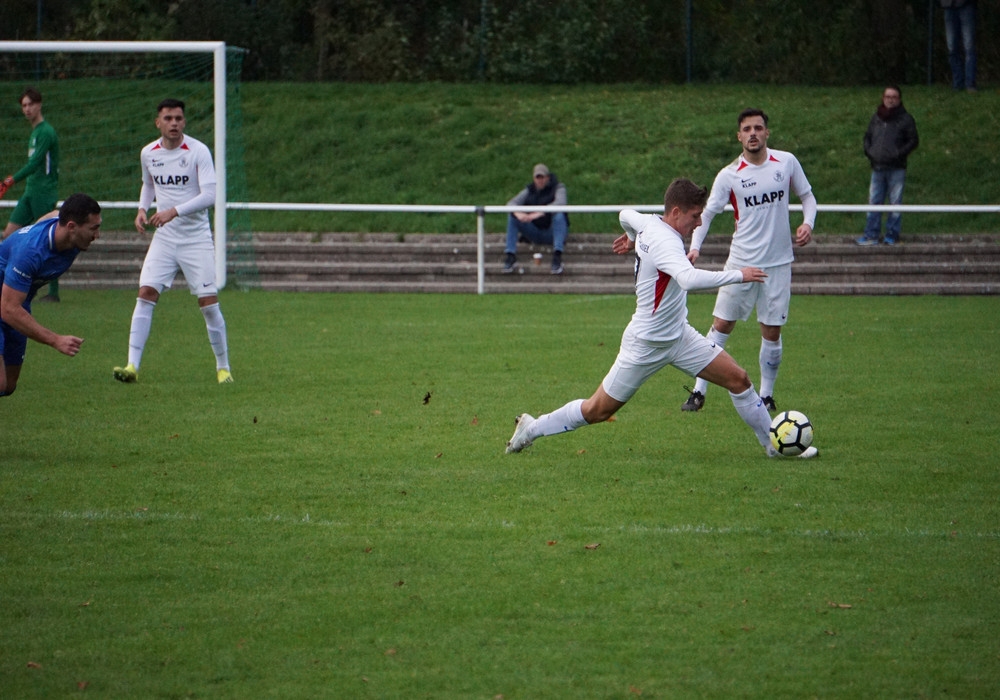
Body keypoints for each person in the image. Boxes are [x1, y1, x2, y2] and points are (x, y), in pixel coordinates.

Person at [505, 177, 818, 459]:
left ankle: (773, 446)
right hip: (646, 344)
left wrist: (631, 237)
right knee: (596, 410)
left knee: (739, 380)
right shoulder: (666, 241)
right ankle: (532, 428)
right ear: (676, 212)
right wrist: (739, 275)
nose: (699, 223)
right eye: (695, 216)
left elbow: (625, 214)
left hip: (680, 337)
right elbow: (688, 279)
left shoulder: (648, 222)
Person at [681, 108, 816, 414]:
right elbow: (708, 214)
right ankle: (699, 391)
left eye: (758, 128)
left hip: (777, 263)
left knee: (772, 330)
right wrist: (695, 247)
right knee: (721, 324)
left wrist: (808, 223)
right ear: (739, 136)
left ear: (767, 132)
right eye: (747, 129)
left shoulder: (786, 162)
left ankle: (766, 396)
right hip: (741, 264)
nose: (753, 133)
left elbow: (808, 197)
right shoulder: (730, 175)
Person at [113, 98, 233, 385]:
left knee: (208, 303)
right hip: (165, 239)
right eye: (168, 118)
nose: (174, 123)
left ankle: (223, 368)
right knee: (146, 293)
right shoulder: (148, 153)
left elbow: (209, 196)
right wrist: (142, 209)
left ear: (184, 121)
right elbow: (149, 184)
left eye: (178, 118)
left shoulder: (198, 151)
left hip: (196, 239)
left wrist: (173, 211)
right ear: (158, 123)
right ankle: (132, 366)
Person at [0, 193, 102, 396]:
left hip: (18, 302)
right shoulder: (30, 253)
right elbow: (8, 309)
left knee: (9, 385)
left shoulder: (68, 233)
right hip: (9, 305)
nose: (97, 235)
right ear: (72, 227)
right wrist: (55, 340)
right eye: (93, 228)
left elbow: (55, 213)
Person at [1, 87, 61, 302]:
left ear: (39, 105)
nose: (27, 109)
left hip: (42, 192)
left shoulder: (46, 132)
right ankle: (8, 282)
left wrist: (10, 180)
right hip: (30, 191)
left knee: (49, 238)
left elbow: (35, 163)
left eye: (30, 104)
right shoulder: (35, 132)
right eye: (24, 105)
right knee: (9, 234)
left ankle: (53, 292)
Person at [857, 86, 919, 247]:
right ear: (883, 98)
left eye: (894, 97)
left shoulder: (906, 119)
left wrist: (898, 154)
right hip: (877, 166)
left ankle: (892, 235)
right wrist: (870, 152)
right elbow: (868, 137)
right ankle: (871, 234)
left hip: (896, 168)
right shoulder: (876, 117)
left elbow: (913, 140)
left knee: (895, 203)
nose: (890, 100)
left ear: (899, 99)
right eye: (887, 96)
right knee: (873, 202)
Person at [503, 163, 569, 275]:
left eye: (542, 177)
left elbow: (561, 203)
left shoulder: (559, 187)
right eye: (537, 178)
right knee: (512, 217)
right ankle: (510, 255)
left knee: (559, 215)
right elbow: (511, 203)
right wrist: (518, 213)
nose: (540, 181)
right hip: (534, 232)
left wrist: (540, 213)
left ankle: (557, 256)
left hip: (551, 233)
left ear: (548, 177)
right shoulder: (529, 190)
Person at [940, 0, 977, 92]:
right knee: (952, 48)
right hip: (948, 6)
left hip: (966, 5)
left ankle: (970, 84)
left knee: (969, 47)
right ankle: (958, 83)